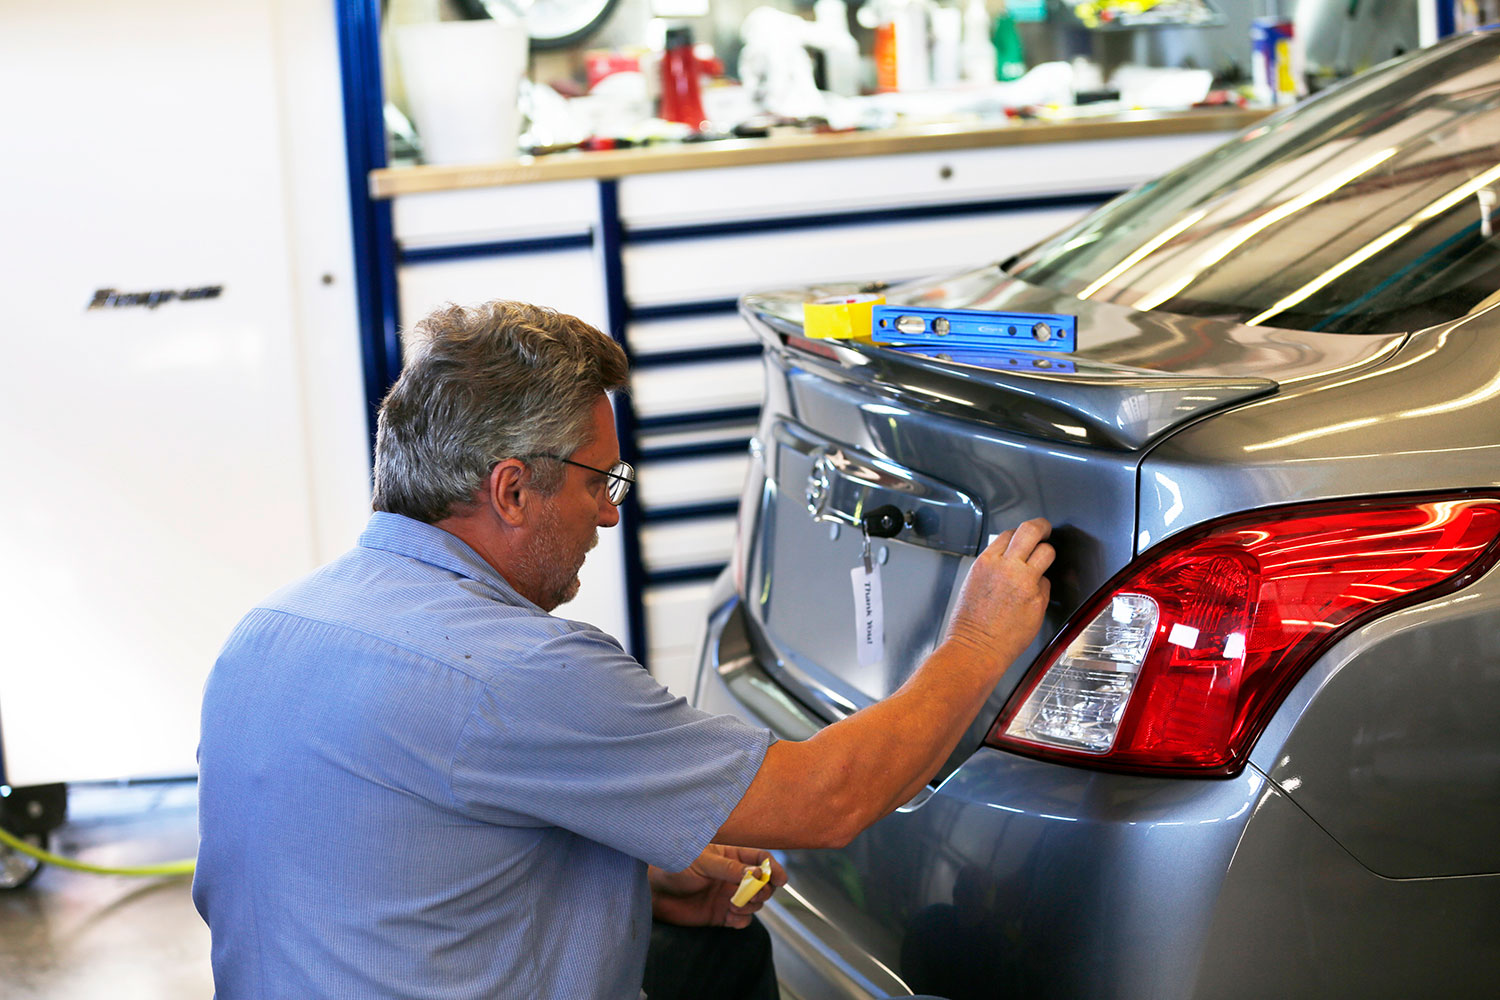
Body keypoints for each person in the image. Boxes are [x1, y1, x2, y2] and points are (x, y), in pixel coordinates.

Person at [193, 300, 1053, 1000]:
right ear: (513, 488)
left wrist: (633, 886)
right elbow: (828, 802)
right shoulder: (513, 670)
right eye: (599, 480)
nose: (611, 513)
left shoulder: (268, 633)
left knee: (708, 958)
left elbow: (385, 882)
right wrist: (979, 641)